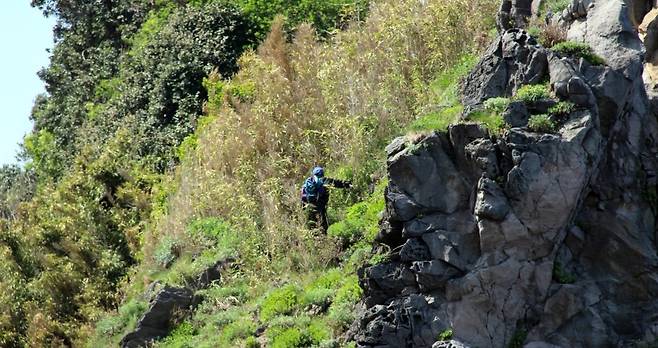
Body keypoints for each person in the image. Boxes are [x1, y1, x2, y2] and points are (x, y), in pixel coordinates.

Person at [301, 166, 351, 232]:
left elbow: (303, 196)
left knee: (311, 225)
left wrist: (303, 208)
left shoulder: (307, 182)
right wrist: (348, 184)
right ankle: (324, 238)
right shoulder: (324, 180)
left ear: (313, 174)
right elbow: (336, 183)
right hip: (320, 206)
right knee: (323, 225)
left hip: (309, 206)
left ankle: (313, 237)